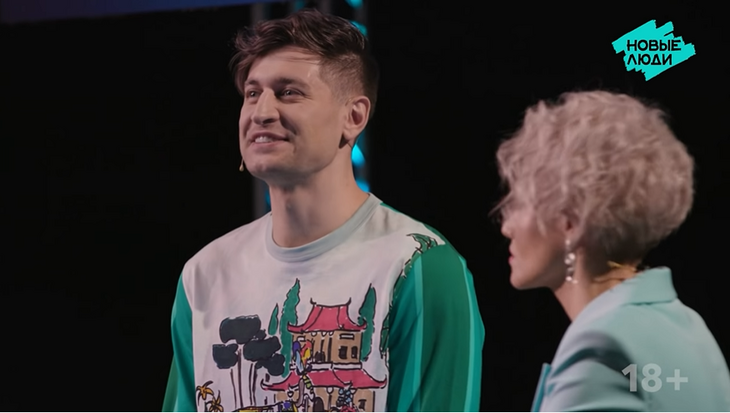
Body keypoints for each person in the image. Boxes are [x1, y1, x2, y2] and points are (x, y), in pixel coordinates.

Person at [162, 9, 484, 412]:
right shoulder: (205, 274)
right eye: (252, 93)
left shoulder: (417, 266)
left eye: (289, 92)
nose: (261, 112)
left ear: (354, 116)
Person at [493, 90, 730, 411]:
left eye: (520, 203)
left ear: (570, 223)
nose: (506, 227)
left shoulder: (602, 350)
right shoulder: (688, 325)